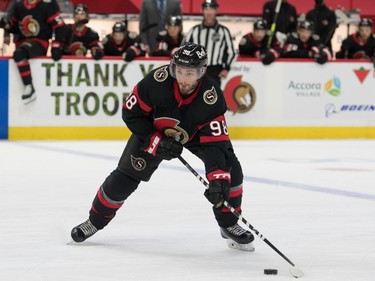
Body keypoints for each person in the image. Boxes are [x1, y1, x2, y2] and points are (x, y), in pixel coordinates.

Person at [71, 42, 255, 252]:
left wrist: (217, 179)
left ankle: (228, 223)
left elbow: (216, 144)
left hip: (194, 135)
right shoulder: (156, 82)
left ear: (202, 72)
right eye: (180, 71)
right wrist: (155, 141)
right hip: (153, 132)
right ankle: (94, 221)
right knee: (126, 177)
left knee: (230, 170)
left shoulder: (211, 98)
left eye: (190, 73)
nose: (184, 79)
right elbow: (130, 113)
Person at [0, 0, 66, 104]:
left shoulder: (47, 4)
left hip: (40, 42)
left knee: (19, 53)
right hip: (22, 43)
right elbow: (15, 27)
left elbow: (61, 27)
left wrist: (56, 46)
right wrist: (6, 25)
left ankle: (29, 88)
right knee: (19, 52)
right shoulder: (19, 5)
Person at [182, 0, 236, 87]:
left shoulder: (223, 31)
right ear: (202, 11)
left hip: (215, 70)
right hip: (196, 68)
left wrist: (226, 68)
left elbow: (231, 52)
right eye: (206, 9)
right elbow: (184, 49)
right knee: (194, 96)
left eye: (212, 9)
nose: (209, 12)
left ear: (216, 11)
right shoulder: (194, 30)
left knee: (213, 97)